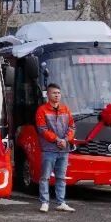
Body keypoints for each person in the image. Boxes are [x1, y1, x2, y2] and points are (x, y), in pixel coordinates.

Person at [35, 83, 75, 213]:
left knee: (61, 177)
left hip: (64, 149)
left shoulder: (66, 109)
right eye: (54, 93)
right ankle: (44, 202)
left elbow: (72, 127)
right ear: (48, 95)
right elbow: (42, 129)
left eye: (58, 93)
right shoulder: (42, 110)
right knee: (45, 177)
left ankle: (61, 202)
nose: (57, 95)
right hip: (49, 149)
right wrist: (57, 140)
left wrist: (66, 140)